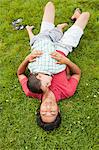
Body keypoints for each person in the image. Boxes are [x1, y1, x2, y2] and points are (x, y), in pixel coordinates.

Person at [17, 2, 90, 131]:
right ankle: (76, 17)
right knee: (86, 15)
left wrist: (27, 59)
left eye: (44, 113)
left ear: (38, 111)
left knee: (50, 5)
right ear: (59, 110)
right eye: (53, 113)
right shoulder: (67, 92)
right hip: (63, 48)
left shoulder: (32, 90)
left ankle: (60, 26)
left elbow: (20, 74)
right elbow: (77, 73)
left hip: (43, 46)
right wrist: (66, 61)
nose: (48, 109)